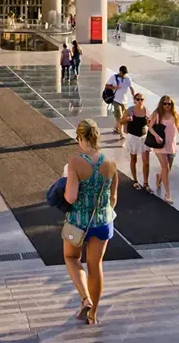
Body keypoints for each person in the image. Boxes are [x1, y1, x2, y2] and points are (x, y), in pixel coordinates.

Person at [63, 119, 118, 326]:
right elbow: (113, 199)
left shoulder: (75, 162)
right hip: (103, 221)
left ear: (80, 137)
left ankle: (85, 298)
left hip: (77, 221)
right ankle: (93, 314)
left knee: (71, 257)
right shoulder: (111, 163)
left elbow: (70, 197)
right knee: (95, 266)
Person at [147, 95, 179, 204]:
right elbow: (150, 127)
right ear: (161, 104)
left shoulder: (175, 115)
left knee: (167, 169)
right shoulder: (157, 114)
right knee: (165, 167)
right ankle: (168, 193)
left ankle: (159, 176)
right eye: (165, 103)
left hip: (171, 144)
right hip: (160, 145)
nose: (167, 106)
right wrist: (156, 136)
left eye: (169, 104)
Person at [122, 94, 151, 193]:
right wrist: (127, 119)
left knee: (146, 161)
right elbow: (120, 121)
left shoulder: (146, 110)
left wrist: (149, 122)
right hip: (133, 136)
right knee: (133, 159)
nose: (140, 101)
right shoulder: (130, 110)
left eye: (142, 99)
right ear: (134, 100)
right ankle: (135, 180)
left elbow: (149, 124)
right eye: (138, 99)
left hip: (143, 137)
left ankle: (146, 183)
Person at [106, 66, 134, 140]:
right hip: (116, 100)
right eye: (123, 73)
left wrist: (134, 96)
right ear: (120, 71)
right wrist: (114, 88)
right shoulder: (114, 77)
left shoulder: (128, 79)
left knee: (122, 117)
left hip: (124, 101)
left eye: (125, 73)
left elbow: (131, 88)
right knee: (119, 117)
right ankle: (121, 133)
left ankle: (116, 128)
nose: (124, 74)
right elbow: (107, 86)